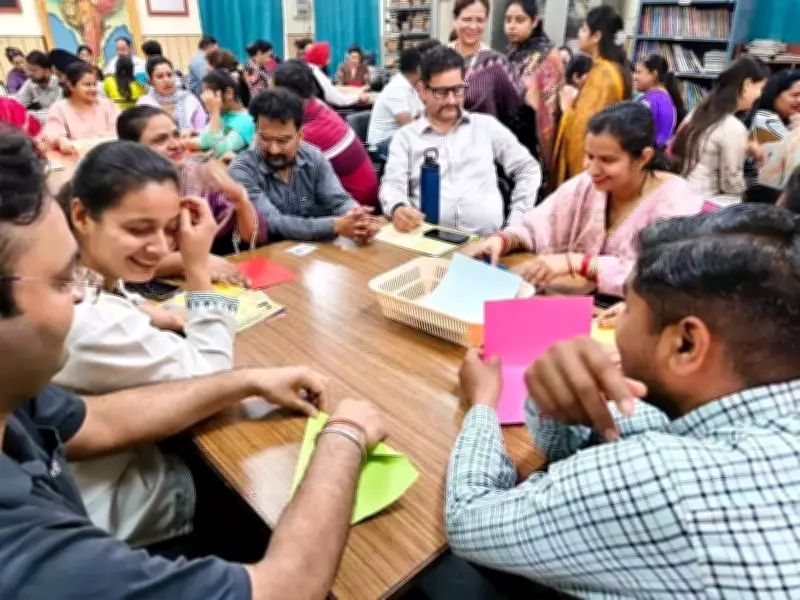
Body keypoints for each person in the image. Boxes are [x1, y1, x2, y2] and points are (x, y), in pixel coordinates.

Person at [0, 128, 387, 598]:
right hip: (138, 509)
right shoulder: (31, 556)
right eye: (63, 280)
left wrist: (249, 379)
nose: (80, 294)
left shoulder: (20, 403)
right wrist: (343, 436)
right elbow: (289, 588)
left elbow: (94, 421)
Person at [449, 202, 800, 598]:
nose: (613, 324)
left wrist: (482, 404)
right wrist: (558, 403)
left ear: (685, 344)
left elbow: (468, 520)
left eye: (628, 308)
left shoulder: (670, 482)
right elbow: (618, 433)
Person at [462, 102, 704, 297]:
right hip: (574, 305)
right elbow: (536, 226)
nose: (592, 169)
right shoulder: (587, 184)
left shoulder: (675, 199)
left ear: (643, 158)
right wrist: (501, 240)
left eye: (607, 160)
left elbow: (661, 275)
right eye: (589, 156)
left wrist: (575, 262)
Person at [381, 46, 542, 235]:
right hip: (428, 244)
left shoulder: (486, 127)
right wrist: (398, 207)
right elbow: (392, 184)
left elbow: (528, 168)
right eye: (441, 92)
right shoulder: (406, 138)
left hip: (487, 243)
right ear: (422, 90)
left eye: (458, 90)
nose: (451, 100)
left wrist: (516, 222)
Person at [230, 88, 379, 242]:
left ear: (300, 136)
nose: (273, 149)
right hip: (267, 255)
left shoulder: (313, 157)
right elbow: (272, 222)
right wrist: (334, 226)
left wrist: (357, 217)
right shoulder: (243, 170)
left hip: (311, 254)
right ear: (256, 131)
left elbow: (338, 200)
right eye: (265, 139)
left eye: (283, 141)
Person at [118, 105, 268, 256]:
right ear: (133, 150)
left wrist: (240, 200)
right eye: (160, 140)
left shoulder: (204, 177)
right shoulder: (122, 193)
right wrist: (191, 264)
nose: (176, 144)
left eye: (176, 135)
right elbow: (125, 257)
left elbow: (253, 239)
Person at [274, 60, 379, 208]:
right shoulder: (316, 104)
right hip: (360, 194)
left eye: (273, 94)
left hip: (356, 206)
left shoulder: (310, 132)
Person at [672, 56, 769, 206]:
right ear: (747, 84)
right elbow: (731, 184)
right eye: (761, 88)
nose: (760, 95)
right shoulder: (733, 127)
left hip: (680, 193)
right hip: (703, 203)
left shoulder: (697, 112)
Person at [552, 6, 630, 186]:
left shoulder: (603, 75)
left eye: (584, 29)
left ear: (597, 36)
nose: (579, 34)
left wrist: (567, 108)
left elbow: (583, 132)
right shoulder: (609, 69)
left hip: (591, 171)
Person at [504, 0, 565, 174]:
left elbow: (548, 112)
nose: (512, 26)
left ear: (534, 21)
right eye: (508, 20)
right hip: (508, 135)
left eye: (519, 20)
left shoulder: (547, 56)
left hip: (531, 139)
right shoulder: (511, 50)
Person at [450, 0, 521, 126]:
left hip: (482, 141)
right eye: (467, 19)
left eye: (479, 20)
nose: (473, 26)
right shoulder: (438, 57)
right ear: (455, 20)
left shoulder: (496, 63)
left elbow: (513, 107)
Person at [44, 62, 119, 152]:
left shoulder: (107, 105)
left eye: (94, 84)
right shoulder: (58, 109)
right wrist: (60, 140)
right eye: (87, 85)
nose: (93, 89)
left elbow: (118, 132)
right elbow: (53, 134)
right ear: (71, 85)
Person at [367, 47, 424, 158]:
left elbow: (423, 113)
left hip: (398, 138)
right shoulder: (398, 88)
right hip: (382, 144)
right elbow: (408, 126)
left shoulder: (410, 86)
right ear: (418, 69)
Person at [188, 69, 256, 160]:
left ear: (229, 93)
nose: (207, 102)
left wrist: (214, 112)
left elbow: (220, 152)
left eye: (210, 97)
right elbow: (204, 141)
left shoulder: (247, 121)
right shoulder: (224, 114)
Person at [137, 56, 207, 134]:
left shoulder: (189, 98)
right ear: (151, 80)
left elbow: (203, 131)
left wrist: (192, 133)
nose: (166, 80)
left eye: (169, 75)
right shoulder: (144, 104)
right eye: (160, 76)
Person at [634, 54, 686, 148]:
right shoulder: (669, 99)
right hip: (661, 157)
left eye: (639, 72)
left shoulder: (647, 102)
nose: (635, 77)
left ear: (654, 74)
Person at [304, 41, 368, 108]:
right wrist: (357, 96)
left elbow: (367, 83)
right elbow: (338, 96)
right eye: (328, 56)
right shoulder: (341, 67)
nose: (330, 59)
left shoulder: (364, 68)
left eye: (356, 58)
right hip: (322, 109)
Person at [750, 69, 800, 144]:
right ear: (774, 95)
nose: (799, 100)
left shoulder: (788, 121)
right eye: (795, 95)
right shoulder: (763, 119)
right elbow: (790, 152)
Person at [14, 50, 61, 124]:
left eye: (33, 70)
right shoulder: (31, 82)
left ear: (47, 69)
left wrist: (27, 115)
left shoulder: (59, 83)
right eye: (27, 70)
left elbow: (57, 113)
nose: (29, 74)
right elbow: (17, 103)